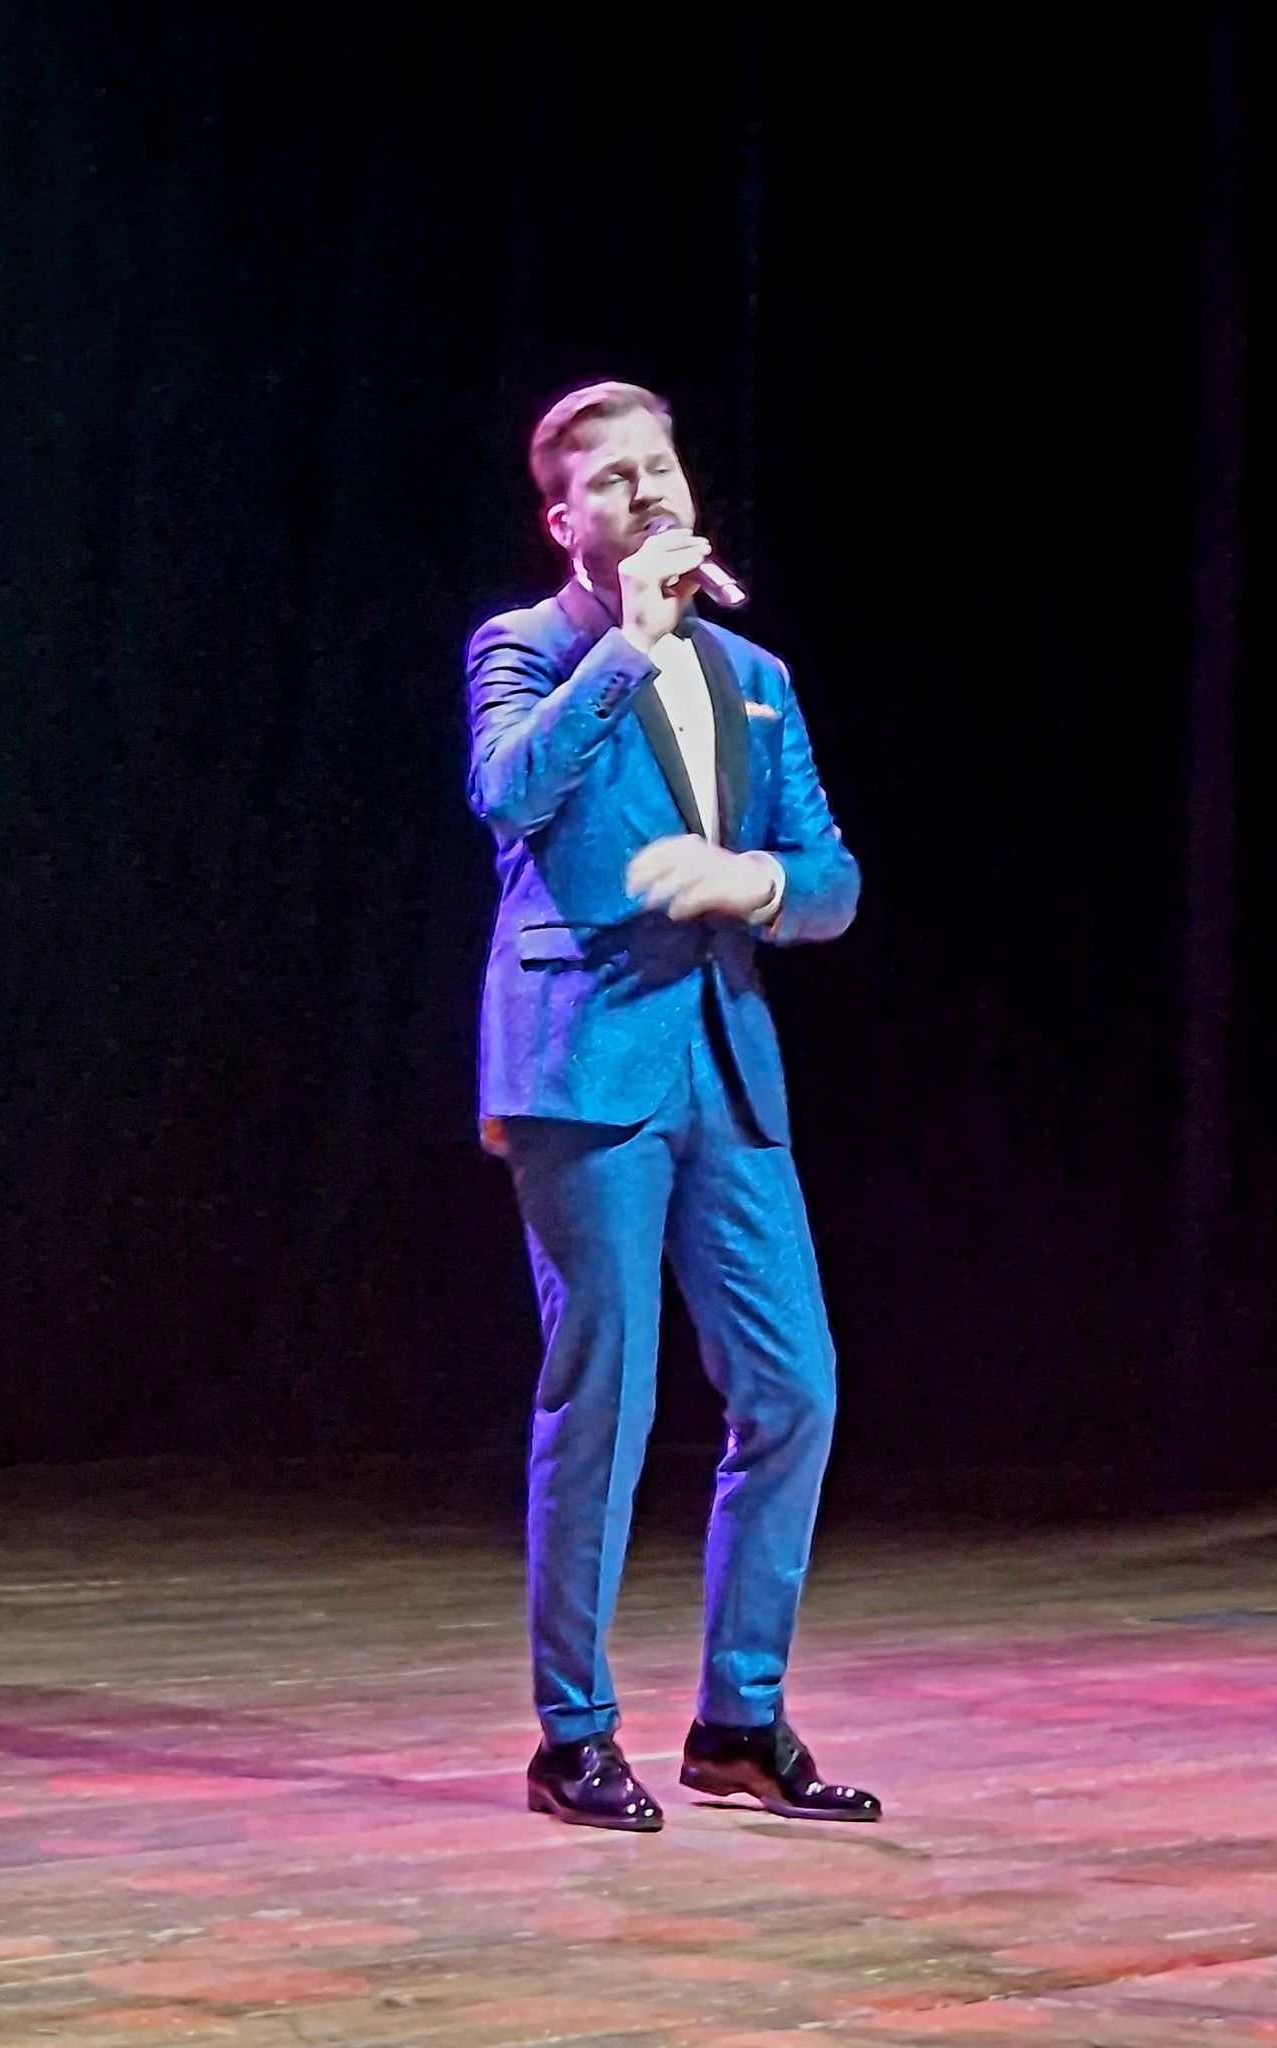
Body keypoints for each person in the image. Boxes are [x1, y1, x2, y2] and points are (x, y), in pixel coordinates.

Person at [464, 381, 879, 1832]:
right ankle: (571, 1737)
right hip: (583, 1064)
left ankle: (739, 1722)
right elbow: (506, 793)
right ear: (564, 521)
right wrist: (628, 647)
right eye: (613, 479)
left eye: (663, 465)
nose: (649, 491)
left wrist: (750, 881)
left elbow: (831, 877)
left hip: (725, 1058)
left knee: (795, 1387)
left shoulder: (757, 674)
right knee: (610, 1394)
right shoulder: (529, 645)